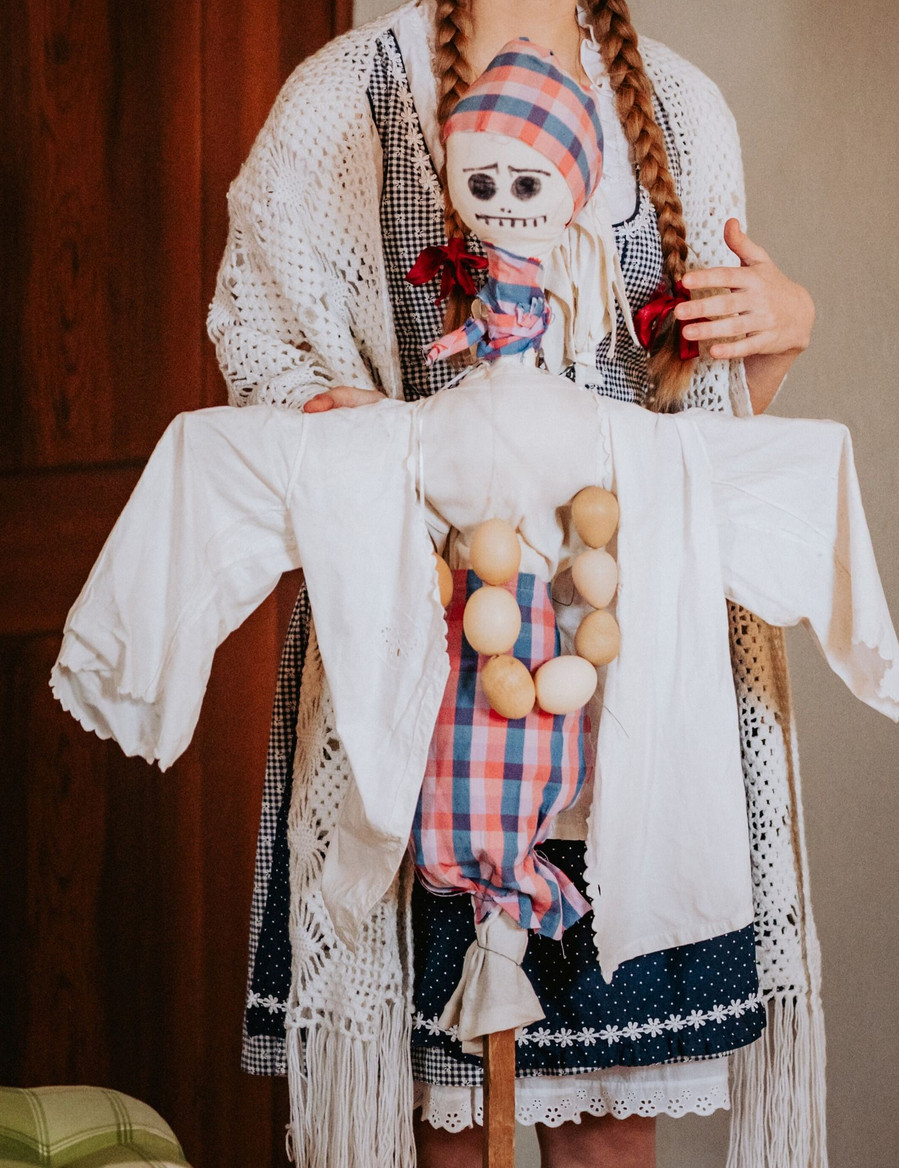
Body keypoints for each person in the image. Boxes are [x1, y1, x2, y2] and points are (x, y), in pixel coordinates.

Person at [206, 2, 820, 1166]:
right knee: (447, 1135)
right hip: (428, 685)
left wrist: (778, 338)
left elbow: (699, 420)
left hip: (626, 683)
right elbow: (264, 344)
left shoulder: (680, 111)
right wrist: (352, 432)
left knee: (607, 1134)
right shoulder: (345, 99)